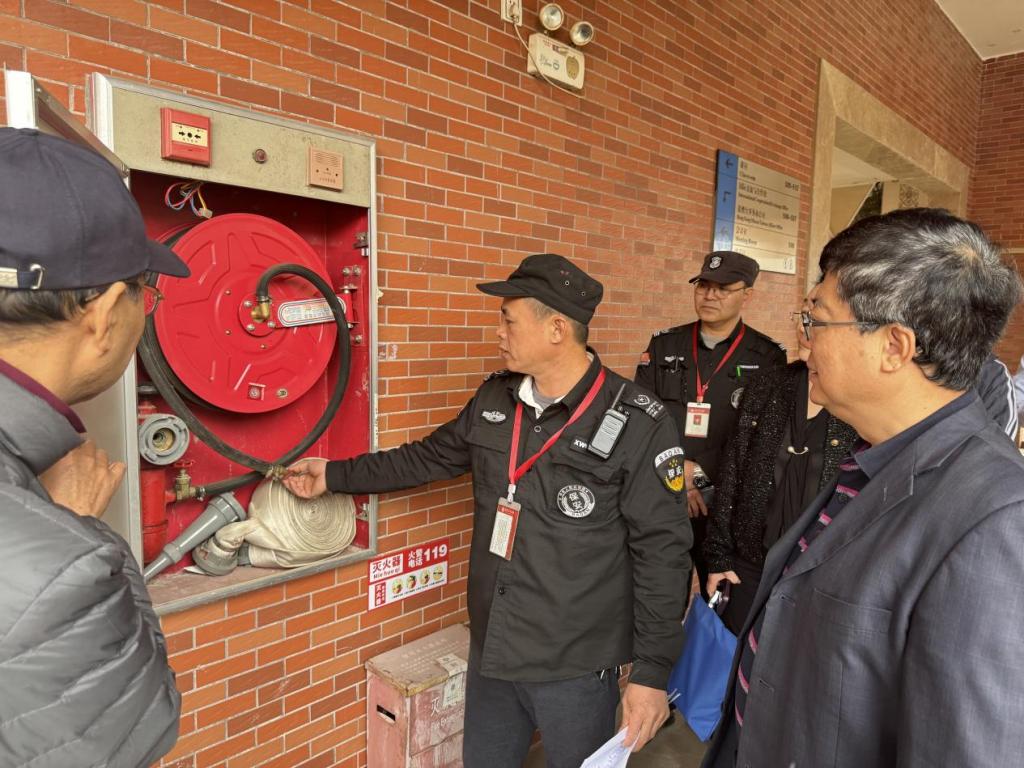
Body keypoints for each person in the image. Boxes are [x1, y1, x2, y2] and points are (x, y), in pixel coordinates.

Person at [285, 253, 691, 768]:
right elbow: (427, 458)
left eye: (508, 320)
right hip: (494, 647)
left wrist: (652, 673)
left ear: (557, 329)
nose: (498, 332)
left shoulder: (637, 422)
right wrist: (334, 476)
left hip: (575, 663)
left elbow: (663, 554)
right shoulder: (496, 399)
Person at [702, 208, 1024, 768]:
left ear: (894, 346)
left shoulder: (994, 522)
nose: (804, 344)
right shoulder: (874, 453)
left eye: (817, 321)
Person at [0, 127, 188, 767]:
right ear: (106, 314)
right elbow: (142, 728)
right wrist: (73, 527)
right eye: (145, 293)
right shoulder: (60, 568)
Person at [635, 250, 785, 598]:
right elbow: (643, 416)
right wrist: (679, 474)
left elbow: (761, 434)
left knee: (718, 599)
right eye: (703, 286)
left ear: (747, 295)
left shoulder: (767, 356)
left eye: (723, 289)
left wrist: (699, 474)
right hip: (664, 495)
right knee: (657, 596)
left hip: (723, 504)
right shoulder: (664, 344)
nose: (710, 295)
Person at [703, 304, 857, 634]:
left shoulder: (860, 401)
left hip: (821, 576)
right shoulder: (768, 384)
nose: (803, 328)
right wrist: (718, 557)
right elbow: (732, 472)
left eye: (816, 320)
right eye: (803, 317)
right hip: (749, 568)